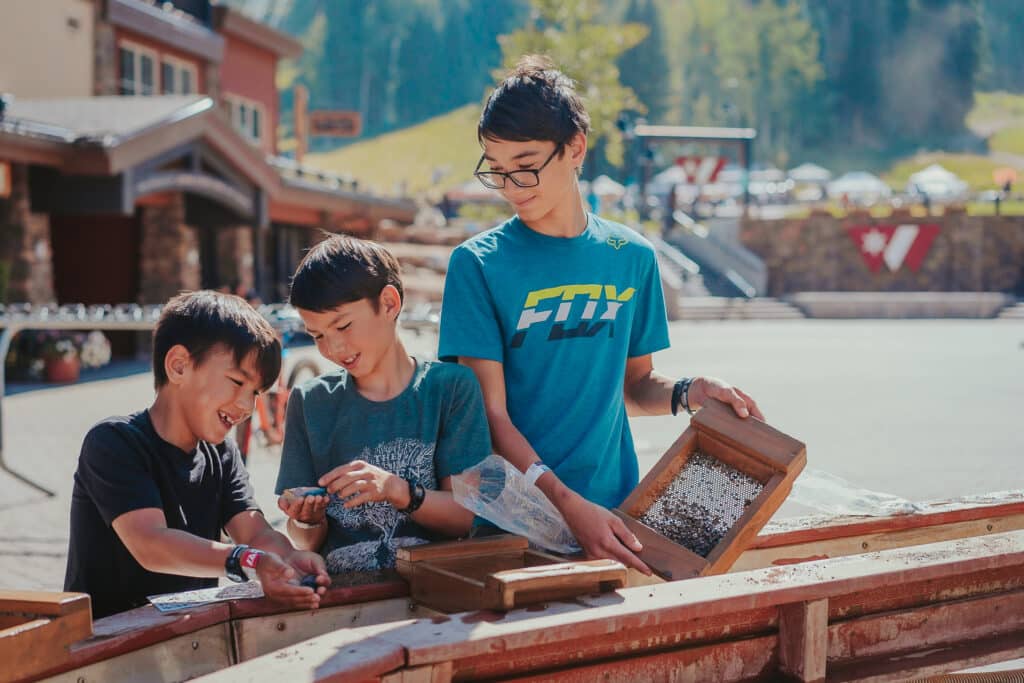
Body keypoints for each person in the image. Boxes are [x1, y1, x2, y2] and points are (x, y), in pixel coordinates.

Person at [438, 55, 763, 575]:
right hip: (514, 531)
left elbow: (636, 387)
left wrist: (690, 392)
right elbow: (490, 419)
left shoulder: (631, 256)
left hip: (618, 517)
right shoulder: (478, 264)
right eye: (496, 171)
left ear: (575, 149)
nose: (511, 187)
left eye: (525, 166)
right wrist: (567, 506)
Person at [64, 291, 329, 619]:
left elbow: (256, 532)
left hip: (189, 639)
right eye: (237, 382)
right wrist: (243, 559)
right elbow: (151, 544)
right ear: (178, 366)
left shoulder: (222, 454)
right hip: (103, 648)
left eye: (255, 393)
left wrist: (289, 561)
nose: (247, 407)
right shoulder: (113, 442)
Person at [275, 235, 491, 573]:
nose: (333, 348)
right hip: (345, 602)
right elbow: (304, 541)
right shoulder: (309, 402)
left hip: (437, 594)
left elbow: (467, 517)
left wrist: (396, 490)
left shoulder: (450, 389)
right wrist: (306, 521)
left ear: (389, 303)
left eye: (343, 325)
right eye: (317, 335)